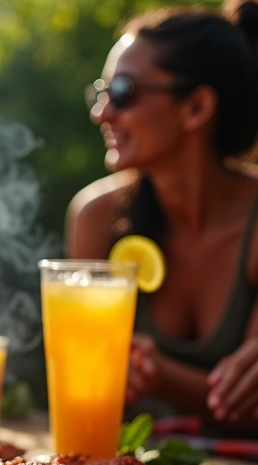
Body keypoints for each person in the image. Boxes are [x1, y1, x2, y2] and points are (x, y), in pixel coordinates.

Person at [66, 0, 258, 435]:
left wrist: (160, 375)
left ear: (197, 107)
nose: (101, 113)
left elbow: (249, 404)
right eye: (101, 93)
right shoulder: (96, 216)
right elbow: (85, 383)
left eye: (122, 93)